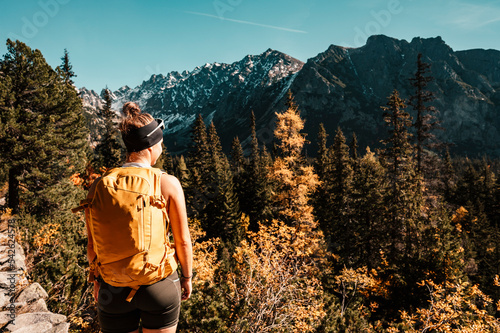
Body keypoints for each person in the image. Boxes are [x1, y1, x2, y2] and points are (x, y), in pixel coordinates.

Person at [85, 102, 193, 333]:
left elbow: (92, 243)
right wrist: (187, 277)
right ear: (152, 146)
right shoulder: (167, 183)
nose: (162, 149)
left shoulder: (98, 185)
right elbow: (183, 241)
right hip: (158, 286)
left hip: (112, 288)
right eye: (161, 144)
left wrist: (96, 280)